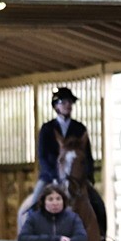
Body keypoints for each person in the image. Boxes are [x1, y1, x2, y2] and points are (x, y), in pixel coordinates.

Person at [30, 86, 105, 225]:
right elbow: (42, 156)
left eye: (70, 102)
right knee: (33, 204)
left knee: (98, 203)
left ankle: (102, 233)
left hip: (76, 178)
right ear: (56, 106)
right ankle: (29, 231)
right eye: (64, 102)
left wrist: (88, 176)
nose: (68, 105)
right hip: (51, 176)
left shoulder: (79, 128)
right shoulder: (47, 129)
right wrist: (55, 176)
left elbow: (87, 156)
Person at [18, 183, 87, 241]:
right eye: (50, 199)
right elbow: (22, 240)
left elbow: (81, 239)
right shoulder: (34, 218)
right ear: (44, 202)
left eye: (58, 199)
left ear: (63, 201)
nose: (55, 203)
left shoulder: (73, 218)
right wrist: (56, 239)